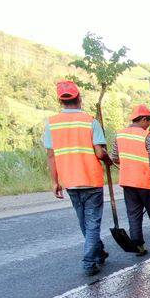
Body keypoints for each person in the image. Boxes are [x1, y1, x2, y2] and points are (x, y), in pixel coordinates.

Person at [43, 80, 112, 276]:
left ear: (60, 101)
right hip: (90, 178)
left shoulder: (52, 124)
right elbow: (99, 152)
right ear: (79, 98)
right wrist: (108, 159)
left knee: (84, 221)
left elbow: (51, 155)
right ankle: (89, 261)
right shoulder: (90, 121)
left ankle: (98, 253)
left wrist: (55, 181)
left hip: (70, 180)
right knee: (92, 222)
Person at [111, 104, 150, 255]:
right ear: (144, 120)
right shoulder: (147, 136)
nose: (148, 125)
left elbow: (115, 157)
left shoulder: (119, 135)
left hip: (127, 181)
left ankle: (138, 246)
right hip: (146, 182)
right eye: (148, 122)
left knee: (134, 214)